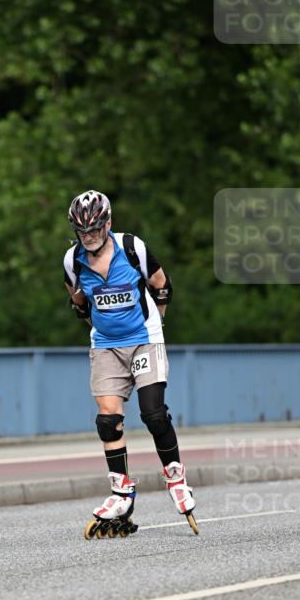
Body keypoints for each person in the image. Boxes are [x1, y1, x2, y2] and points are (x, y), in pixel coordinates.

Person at [63, 189, 198, 538]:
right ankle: (122, 493)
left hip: (144, 339)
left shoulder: (131, 247)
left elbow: (162, 285)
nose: (89, 237)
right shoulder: (73, 260)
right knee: (108, 421)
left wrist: (157, 325)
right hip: (106, 345)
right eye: (83, 232)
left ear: (108, 223)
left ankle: (176, 477)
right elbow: (77, 301)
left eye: (95, 230)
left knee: (153, 413)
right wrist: (99, 326)